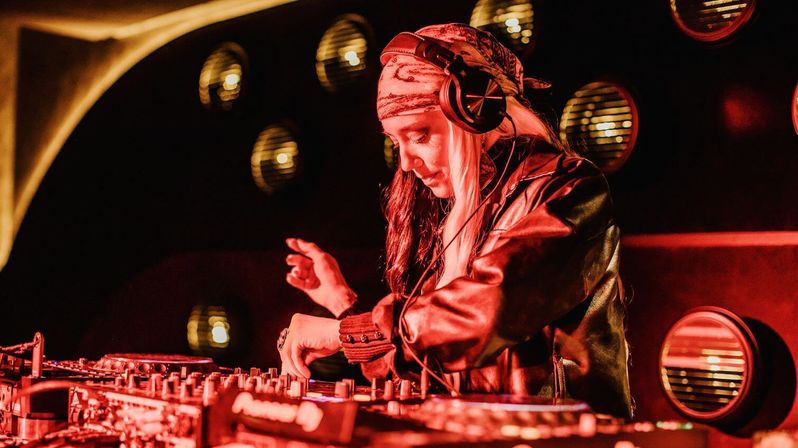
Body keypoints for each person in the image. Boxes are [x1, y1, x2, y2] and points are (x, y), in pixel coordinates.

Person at [276, 23, 632, 418]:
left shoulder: (570, 190)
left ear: (474, 109)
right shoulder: (463, 214)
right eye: (397, 143)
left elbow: (488, 308)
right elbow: (419, 354)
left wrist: (342, 334)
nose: (407, 165)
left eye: (420, 135)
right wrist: (342, 304)